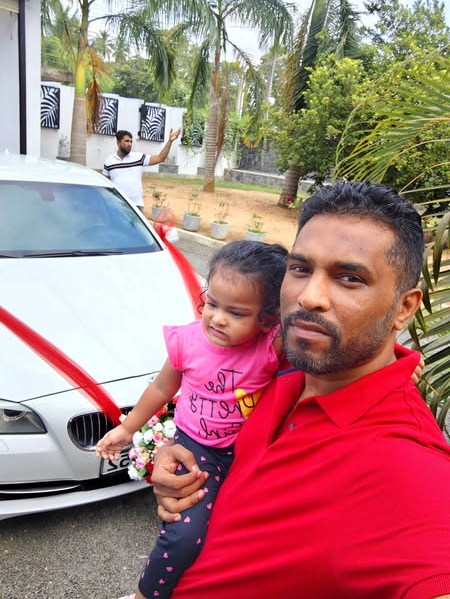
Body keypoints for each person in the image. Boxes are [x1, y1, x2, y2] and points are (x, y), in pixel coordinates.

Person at [151, 182, 450, 599]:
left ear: (404, 307)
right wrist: (174, 456)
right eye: (301, 269)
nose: (309, 297)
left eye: (350, 278)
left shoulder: (409, 461)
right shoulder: (281, 367)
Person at [96, 240, 289, 599]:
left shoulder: (269, 345)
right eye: (212, 304)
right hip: (196, 449)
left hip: (246, 455)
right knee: (184, 534)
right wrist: (126, 428)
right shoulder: (187, 341)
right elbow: (161, 388)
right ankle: (145, 594)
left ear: (267, 319)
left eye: (236, 313)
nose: (217, 318)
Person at [102, 128, 181, 212]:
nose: (130, 144)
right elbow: (105, 184)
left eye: (131, 141)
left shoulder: (138, 158)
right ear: (118, 143)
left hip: (136, 206)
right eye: (127, 141)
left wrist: (170, 141)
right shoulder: (109, 161)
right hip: (116, 204)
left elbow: (160, 158)